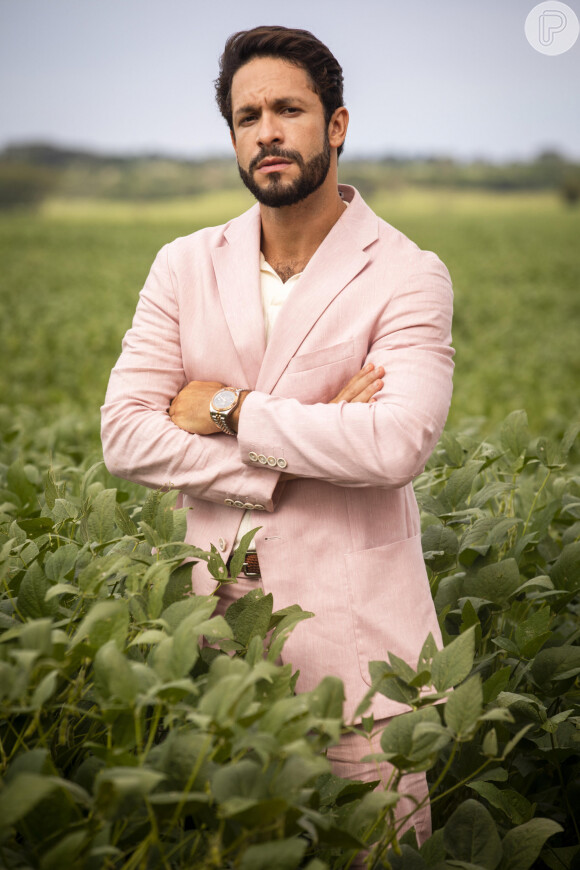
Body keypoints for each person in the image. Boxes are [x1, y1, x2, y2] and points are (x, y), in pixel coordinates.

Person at [101, 25, 454, 847]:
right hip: (218, 652)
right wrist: (302, 448)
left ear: (335, 125)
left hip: (361, 656)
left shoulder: (407, 271)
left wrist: (227, 408)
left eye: (288, 109)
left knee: (380, 851)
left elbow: (396, 443)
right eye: (246, 115)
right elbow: (125, 435)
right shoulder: (183, 264)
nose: (267, 131)